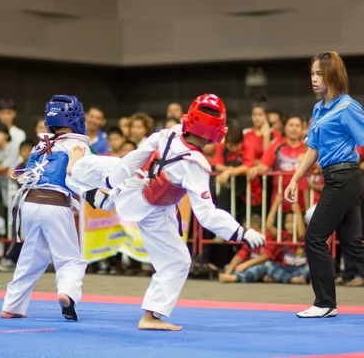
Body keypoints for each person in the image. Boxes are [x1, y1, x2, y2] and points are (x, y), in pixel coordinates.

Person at [74, 94, 265, 330]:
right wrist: (241, 233)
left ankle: (72, 171)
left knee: (96, 166)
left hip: (133, 179)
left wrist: (113, 181)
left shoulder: (170, 132)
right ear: (216, 131)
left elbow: (135, 156)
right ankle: (151, 317)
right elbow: (206, 215)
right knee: (177, 262)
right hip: (153, 210)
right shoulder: (196, 165)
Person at [284, 51, 364, 319]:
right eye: (312, 74)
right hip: (336, 178)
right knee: (351, 243)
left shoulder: (348, 107)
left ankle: (325, 302)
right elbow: (312, 148)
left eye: (320, 74)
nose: (314, 79)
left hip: (345, 178)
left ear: (334, 76)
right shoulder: (319, 109)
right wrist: (295, 178)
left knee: (315, 236)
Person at [0, 95, 91, 321]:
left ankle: (12, 305)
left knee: (31, 257)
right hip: (55, 204)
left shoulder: (40, 144)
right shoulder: (78, 146)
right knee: (70, 259)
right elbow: (82, 176)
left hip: (29, 204)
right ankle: (67, 292)